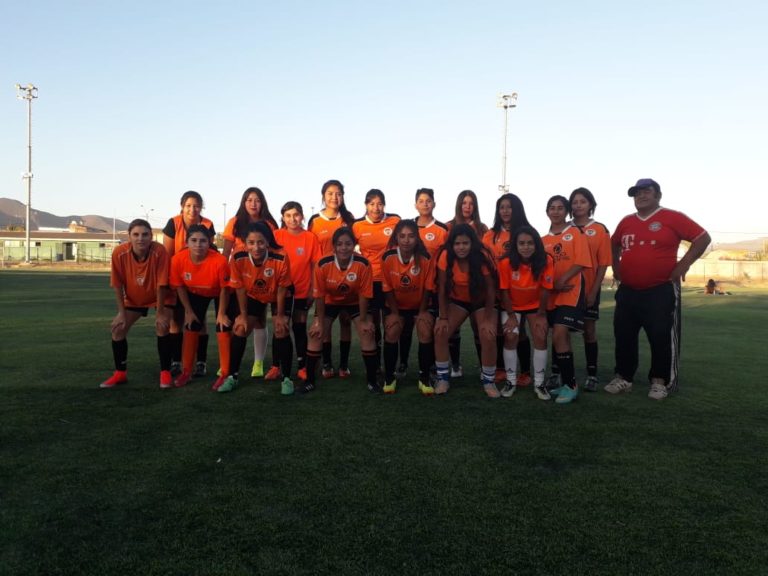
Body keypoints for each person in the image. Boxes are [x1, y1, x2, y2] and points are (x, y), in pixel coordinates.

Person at [607, 178, 711, 400]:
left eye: (646, 191)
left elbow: (703, 238)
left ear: (658, 195)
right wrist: (616, 268)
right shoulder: (626, 222)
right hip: (628, 291)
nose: (641, 196)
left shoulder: (672, 217)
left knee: (660, 336)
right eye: (637, 193)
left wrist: (684, 265)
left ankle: (659, 381)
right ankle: (624, 377)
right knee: (624, 335)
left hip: (660, 289)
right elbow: (613, 244)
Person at [299, 228, 380, 394]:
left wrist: (364, 320)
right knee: (316, 333)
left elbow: (364, 294)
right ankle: (309, 381)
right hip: (330, 301)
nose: (344, 248)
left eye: (348, 244)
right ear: (334, 246)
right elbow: (319, 296)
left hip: (354, 302)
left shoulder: (363, 264)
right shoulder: (323, 264)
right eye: (340, 244)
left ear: (354, 245)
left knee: (367, 332)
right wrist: (319, 322)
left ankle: (372, 381)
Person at [220, 222, 294, 394]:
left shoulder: (281, 256)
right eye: (251, 242)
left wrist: (280, 316)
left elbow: (282, 289)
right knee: (240, 328)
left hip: (279, 295)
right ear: (245, 243)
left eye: (260, 242)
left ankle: (287, 378)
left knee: (281, 329)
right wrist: (243, 315)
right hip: (253, 295)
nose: (256, 247)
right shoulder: (238, 256)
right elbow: (239, 288)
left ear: (268, 241)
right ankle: (232, 377)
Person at [100, 219, 173, 389]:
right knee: (118, 330)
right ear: (129, 236)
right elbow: (117, 285)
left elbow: (162, 284)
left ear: (151, 236)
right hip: (135, 299)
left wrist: (160, 313)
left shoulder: (159, 251)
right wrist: (121, 313)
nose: (141, 238)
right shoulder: (119, 253)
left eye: (145, 234)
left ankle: (165, 372)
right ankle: (120, 373)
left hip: (161, 297)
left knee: (162, 326)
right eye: (136, 234)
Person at [433, 224, 499, 397]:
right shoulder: (445, 255)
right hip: (458, 300)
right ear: (451, 244)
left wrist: (487, 319)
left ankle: (489, 381)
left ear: (472, 243)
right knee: (440, 331)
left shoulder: (482, 255)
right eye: (457, 243)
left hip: (481, 301)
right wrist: (443, 317)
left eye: (465, 243)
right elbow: (442, 288)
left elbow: (491, 289)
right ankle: (443, 378)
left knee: (487, 334)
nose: (461, 247)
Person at [222, 187, 278, 379]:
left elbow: (275, 250)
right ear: (243, 202)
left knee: (259, 319)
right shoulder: (235, 222)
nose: (253, 204)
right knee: (236, 320)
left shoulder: (270, 224)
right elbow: (226, 251)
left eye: (257, 200)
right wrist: (225, 275)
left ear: (263, 203)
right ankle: (227, 364)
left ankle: (258, 362)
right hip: (240, 276)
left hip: (262, 278)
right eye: (249, 200)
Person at [542, 195, 591, 405]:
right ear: (547, 212)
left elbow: (582, 261)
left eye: (560, 207)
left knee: (559, 334)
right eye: (552, 208)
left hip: (571, 293)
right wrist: (552, 284)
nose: (556, 211)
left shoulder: (576, 233)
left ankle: (571, 385)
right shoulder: (542, 240)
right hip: (552, 295)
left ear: (567, 211)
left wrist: (562, 279)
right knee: (560, 338)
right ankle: (566, 383)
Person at [162, 191, 217, 378]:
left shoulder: (207, 224)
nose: (192, 209)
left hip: (199, 279)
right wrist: (170, 282)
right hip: (178, 277)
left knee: (199, 320)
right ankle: (176, 361)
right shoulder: (174, 223)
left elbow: (208, 251)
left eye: (196, 206)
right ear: (182, 206)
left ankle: (201, 362)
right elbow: (168, 255)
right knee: (176, 320)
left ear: (201, 207)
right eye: (188, 205)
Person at [170, 225, 232, 388]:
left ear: (209, 242)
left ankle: (225, 373)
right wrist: (188, 311)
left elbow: (225, 289)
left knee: (223, 326)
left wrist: (221, 313)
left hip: (220, 292)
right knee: (191, 324)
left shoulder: (219, 261)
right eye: (194, 240)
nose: (198, 244)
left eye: (203, 241)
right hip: (196, 293)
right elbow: (179, 287)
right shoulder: (177, 260)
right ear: (187, 242)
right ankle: (186, 372)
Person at [381, 219, 437, 395]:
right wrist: (395, 314)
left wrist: (421, 313)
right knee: (392, 330)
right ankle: (389, 377)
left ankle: (424, 377)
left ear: (417, 238)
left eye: (411, 236)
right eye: (402, 236)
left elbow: (428, 288)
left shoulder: (425, 258)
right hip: (396, 306)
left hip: (420, 305)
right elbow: (387, 288)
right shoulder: (387, 257)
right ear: (396, 238)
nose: (406, 240)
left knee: (425, 329)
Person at [482, 193, 534, 385]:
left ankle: (525, 372)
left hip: (519, 291)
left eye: (509, 207)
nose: (505, 211)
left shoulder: (526, 232)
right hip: (495, 290)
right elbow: (483, 261)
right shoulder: (490, 235)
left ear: (517, 209)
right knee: (499, 329)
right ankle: (501, 369)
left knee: (519, 331)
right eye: (501, 207)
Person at [497, 226, 554, 400]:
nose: (526, 247)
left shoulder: (546, 260)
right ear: (515, 245)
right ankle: (511, 381)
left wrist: (542, 314)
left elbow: (545, 288)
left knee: (540, 335)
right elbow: (504, 291)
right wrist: (511, 315)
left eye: (530, 243)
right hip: (512, 306)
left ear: (536, 244)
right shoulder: (505, 262)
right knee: (510, 336)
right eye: (521, 243)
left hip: (535, 306)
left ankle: (539, 384)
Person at [307, 180, 356, 379]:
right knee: (324, 321)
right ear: (323, 196)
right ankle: (326, 362)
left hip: (346, 277)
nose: (334, 197)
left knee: (345, 320)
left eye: (338, 193)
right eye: (330, 193)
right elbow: (311, 251)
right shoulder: (315, 220)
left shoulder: (348, 218)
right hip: (324, 278)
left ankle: (343, 364)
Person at [271, 201, 321, 381]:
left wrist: (312, 290)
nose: (292, 219)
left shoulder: (310, 237)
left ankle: (302, 366)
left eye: (296, 215)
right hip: (280, 292)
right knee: (279, 327)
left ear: (302, 216)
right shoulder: (276, 236)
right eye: (288, 215)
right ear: (283, 218)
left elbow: (315, 265)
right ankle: (276, 366)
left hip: (302, 291)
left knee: (299, 327)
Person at [569, 187, 612, 392]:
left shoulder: (600, 229)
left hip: (588, 290)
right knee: (561, 331)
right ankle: (560, 373)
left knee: (589, 331)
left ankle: (592, 374)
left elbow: (603, 263)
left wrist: (594, 291)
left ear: (590, 205)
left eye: (582, 201)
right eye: (575, 202)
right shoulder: (565, 228)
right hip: (567, 290)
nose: (578, 205)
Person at [352, 189, 401, 365]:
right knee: (372, 324)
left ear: (384, 205)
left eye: (379, 204)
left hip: (391, 281)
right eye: (372, 204)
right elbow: (348, 247)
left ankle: (393, 365)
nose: (376, 208)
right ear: (366, 205)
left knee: (391, 323)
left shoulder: (395, 221)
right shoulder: (357, 226)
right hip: (369, 282)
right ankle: (376, 365)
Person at [445, 190, 488, 379]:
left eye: (471, 203)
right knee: (452, 328)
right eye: (464, 203)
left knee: (478, 327)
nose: (467, 207)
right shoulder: (449, 226)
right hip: (456, 285)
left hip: (477, 286)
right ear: (458, 205)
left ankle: (483, 367)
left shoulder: (482, 228)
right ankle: (455, 365)